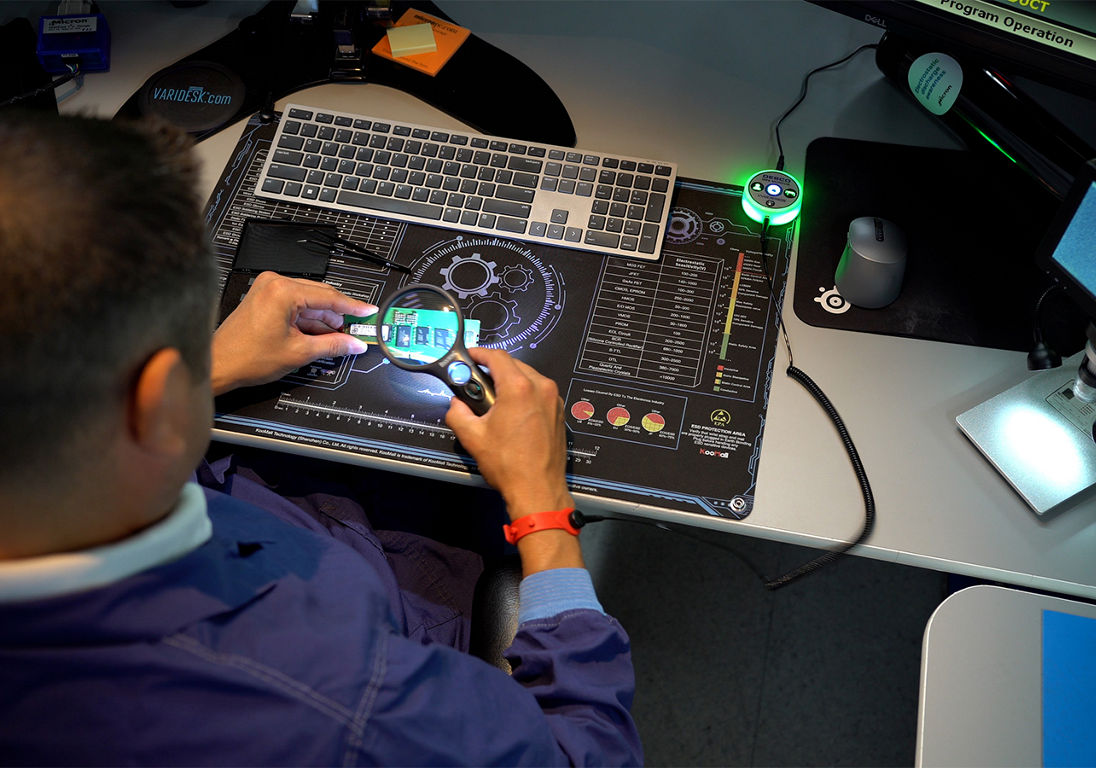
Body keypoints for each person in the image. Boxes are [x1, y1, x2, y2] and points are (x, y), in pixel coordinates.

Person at [0, 112, 642, 765]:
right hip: (374, 600)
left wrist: (213, 369)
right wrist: (544, 512)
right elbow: (590, 753)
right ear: (155, 401)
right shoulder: (344, 705)